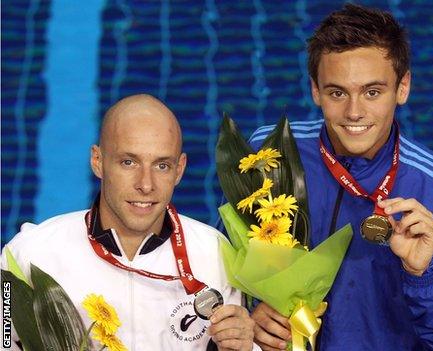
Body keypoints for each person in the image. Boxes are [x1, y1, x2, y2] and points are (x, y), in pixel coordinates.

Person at [246, 4, 433, 350]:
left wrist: (424, 273)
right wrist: (250, 311)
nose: (354, 112)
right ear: (315, 90)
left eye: (372, 92)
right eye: (337, 93)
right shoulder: (272, 153)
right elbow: (225, 261)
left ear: (402, 88)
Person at [2, 94, 255, 351]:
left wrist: (247, 347)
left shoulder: (215, 253)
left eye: (162, 166)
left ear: (179, 169)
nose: (145, 184)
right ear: (97, 161)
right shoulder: (32, 253)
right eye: (128, 162)